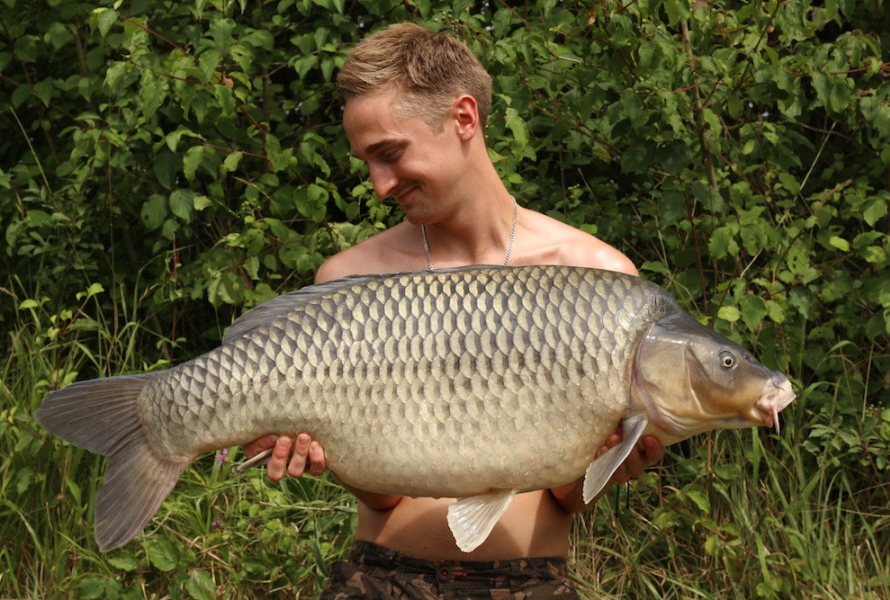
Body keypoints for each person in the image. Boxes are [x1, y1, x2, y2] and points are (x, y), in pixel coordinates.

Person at [243, 22, 664, 598]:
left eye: (390, 154)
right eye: (367, 162)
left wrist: (617, 462)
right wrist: (328, 452)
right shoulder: (349, 281)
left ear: (464, 118)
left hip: (528, 582)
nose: (379, 185)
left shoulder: (599, 279)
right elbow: (382, 494)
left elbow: (567, 498)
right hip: (379, 578)